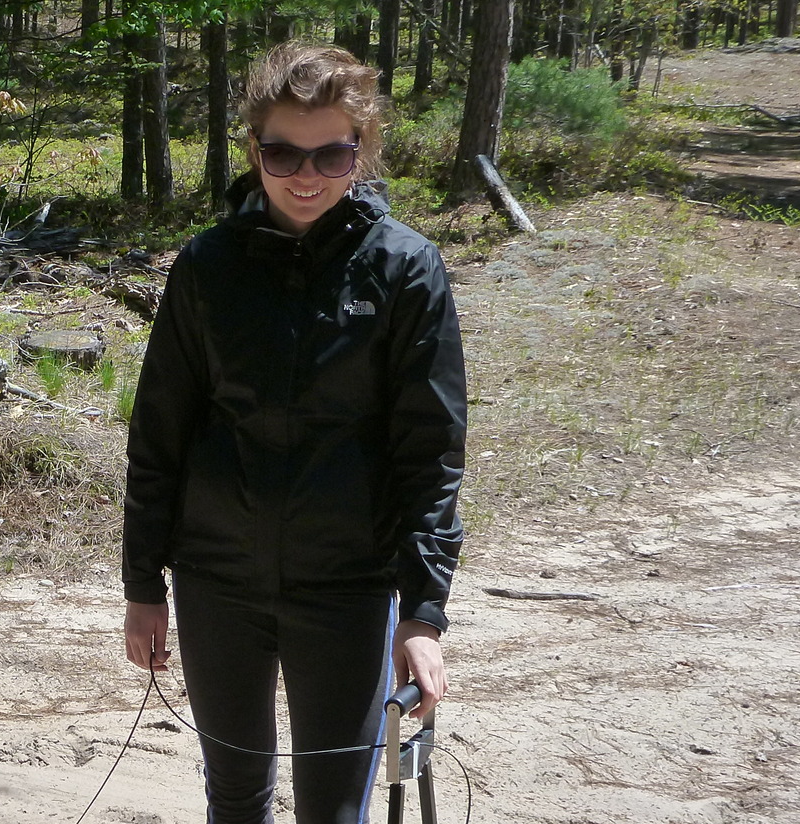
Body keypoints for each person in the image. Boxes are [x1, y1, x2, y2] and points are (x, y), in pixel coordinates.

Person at [120, 42, 465, 824]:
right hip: (216, 586)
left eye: (332, 153)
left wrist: (423, 614)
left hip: (346, 588)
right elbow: (159, 436)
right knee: (235, 799)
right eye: (282, 152)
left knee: (333, 809)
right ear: (254, 150)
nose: (305, 174)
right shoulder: (207, 269)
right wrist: (144, 586)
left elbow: (430, 453)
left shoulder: (406, 270)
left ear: (362, 151)